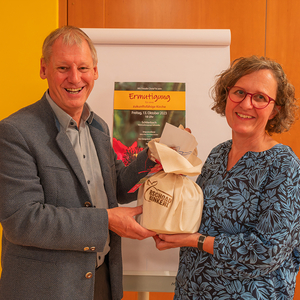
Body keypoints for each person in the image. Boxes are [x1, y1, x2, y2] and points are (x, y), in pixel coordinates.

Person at [0, 26, 156, 300]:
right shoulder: (15, 132)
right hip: (47, 289)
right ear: (44, 69)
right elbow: (22, 220)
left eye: (83, 67)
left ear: (95, 71)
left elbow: (116, 187)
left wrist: (153, 156)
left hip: (101, 280)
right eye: (63, 68)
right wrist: (105, 220)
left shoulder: (99, 127)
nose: (75, 78)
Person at [154, 56, 300, 299]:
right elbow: (201, 218)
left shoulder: (284, 166)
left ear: (275, 110)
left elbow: (267, 251)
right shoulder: (218, 153)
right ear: (226, 96)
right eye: (239, 92)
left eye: (260, 97)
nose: (246, 104)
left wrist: (196, 241)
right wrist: (171, 167)